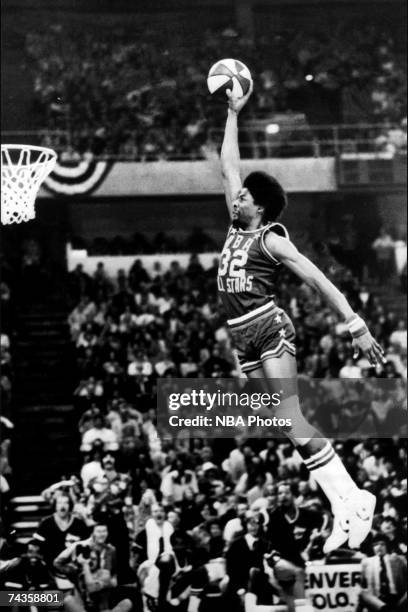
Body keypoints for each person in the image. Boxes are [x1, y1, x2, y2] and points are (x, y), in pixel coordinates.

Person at [218, 82, 385, 552]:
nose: (237, 198)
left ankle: (351, 500)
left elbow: (317, 279)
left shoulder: (271, 238)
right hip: (241, 338)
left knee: (291, 417)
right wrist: (233, 113)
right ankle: (348, 501)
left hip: (269, 327)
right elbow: (229, 164)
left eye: (245, 196)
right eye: (238, 196)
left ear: (262, 206)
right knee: (285, 424)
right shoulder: (234, 224)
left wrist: (355, 323)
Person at [357, 534, 407, 611]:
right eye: (376, 545)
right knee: (362, 592)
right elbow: (363, 585)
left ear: (387, 546)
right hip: (377, 600)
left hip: (396, 598)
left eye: (382, 544)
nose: (379, 547)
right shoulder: (366, 562)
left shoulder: (399, 560)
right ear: (372, 548)